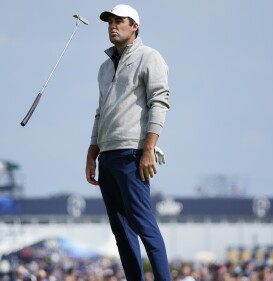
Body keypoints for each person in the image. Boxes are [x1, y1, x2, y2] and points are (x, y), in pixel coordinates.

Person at [85, 4, 171, 281]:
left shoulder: (149, 57)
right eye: (109, 21)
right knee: (121, 231)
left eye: (119, 21)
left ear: (134, 26)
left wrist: (148, 149)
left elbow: (160, 101)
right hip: (107, 155)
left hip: (133, 153)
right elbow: (100, 112)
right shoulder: (103, 68)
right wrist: (91, 152)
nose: (112, 25)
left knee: (144, 225)